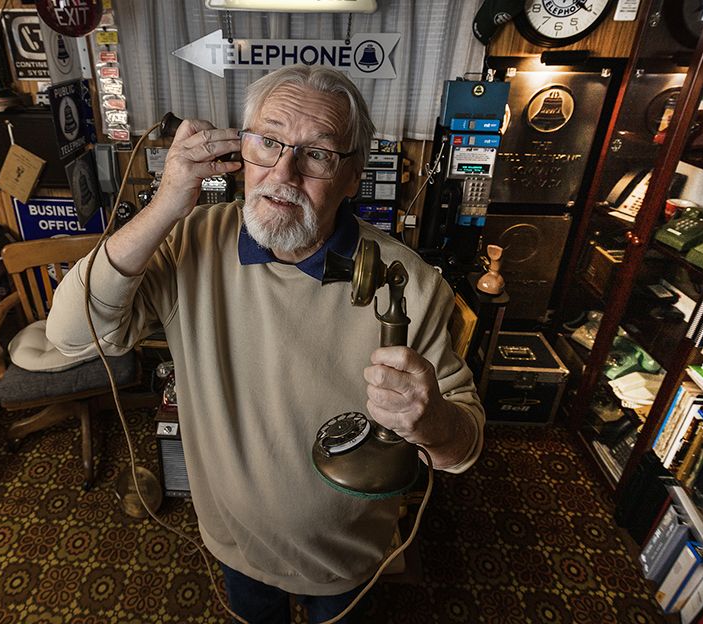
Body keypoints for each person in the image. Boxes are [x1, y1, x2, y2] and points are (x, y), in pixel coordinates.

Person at [46, 65, 484, 624]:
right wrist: (165, 205)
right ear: (240, 150)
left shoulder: (411, 282)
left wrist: (432, 422)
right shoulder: (191, 240)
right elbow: (69, 335)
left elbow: (461, 450)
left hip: (347, 561)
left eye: (317, 154)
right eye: (267, 142)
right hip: (236, 546)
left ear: (353, 175)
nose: (284, 172)